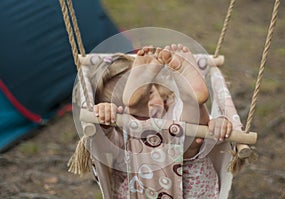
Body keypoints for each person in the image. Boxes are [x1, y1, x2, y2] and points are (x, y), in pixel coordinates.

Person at [92, 44, 233, 198]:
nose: (152, 105)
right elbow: (105, 143)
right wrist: (105, 119)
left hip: (190, 182)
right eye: (121, 108)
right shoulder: (119, 136)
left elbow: (208, 128)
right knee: (136, 131)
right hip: (142, 181)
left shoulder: (173, 108)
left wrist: (219, 123)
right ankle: (139, 109)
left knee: (187, 133)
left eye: (150, 94)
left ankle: (191, 98)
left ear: (157, 86)